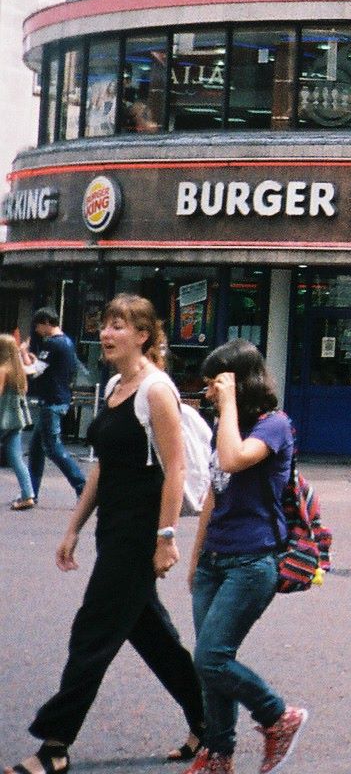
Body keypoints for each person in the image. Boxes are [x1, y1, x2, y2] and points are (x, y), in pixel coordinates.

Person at [9, 295, 204, 774]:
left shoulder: (156, 391)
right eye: (106, 325)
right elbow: (101, 466)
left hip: (139, 532)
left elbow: (174, 467)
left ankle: (54, 746)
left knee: (92, 632)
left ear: (143, 335)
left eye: (119, 326)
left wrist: (166, 536)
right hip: (112, 528)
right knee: (154, 637)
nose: (108, 334)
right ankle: (211, 724)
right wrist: (74, 526)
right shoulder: (117, 385)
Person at [186, 340, 308, 774]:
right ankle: (218, 754)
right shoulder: (228, 422)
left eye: (215, 384)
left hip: (252, 561)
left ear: (237, 381)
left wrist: (228, 403)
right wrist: (196, 559)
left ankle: (277, 715)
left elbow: (236, 460)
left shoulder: (275, 425)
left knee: (212, 656)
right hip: (214, 561)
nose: (209, 393)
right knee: (210, 664)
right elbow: (213, 495)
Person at [26, 309, 88, 501]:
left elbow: (35, 371)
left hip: (51, 401)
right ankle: (30, 492)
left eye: (37, 326)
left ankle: (82, 487)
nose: (37, 331)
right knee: (37, 450)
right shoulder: (67, 342)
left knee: (54, 449)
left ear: (45, 322)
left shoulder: (53, 344)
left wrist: (19, 355)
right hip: (59, 399)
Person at [3, 334, 35, 511]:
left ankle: (27, 494)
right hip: (16, 419)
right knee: (16, 457)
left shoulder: (2, 370)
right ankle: (27, 493)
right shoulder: (19, 371)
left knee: (15, 456)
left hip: (2, 418)